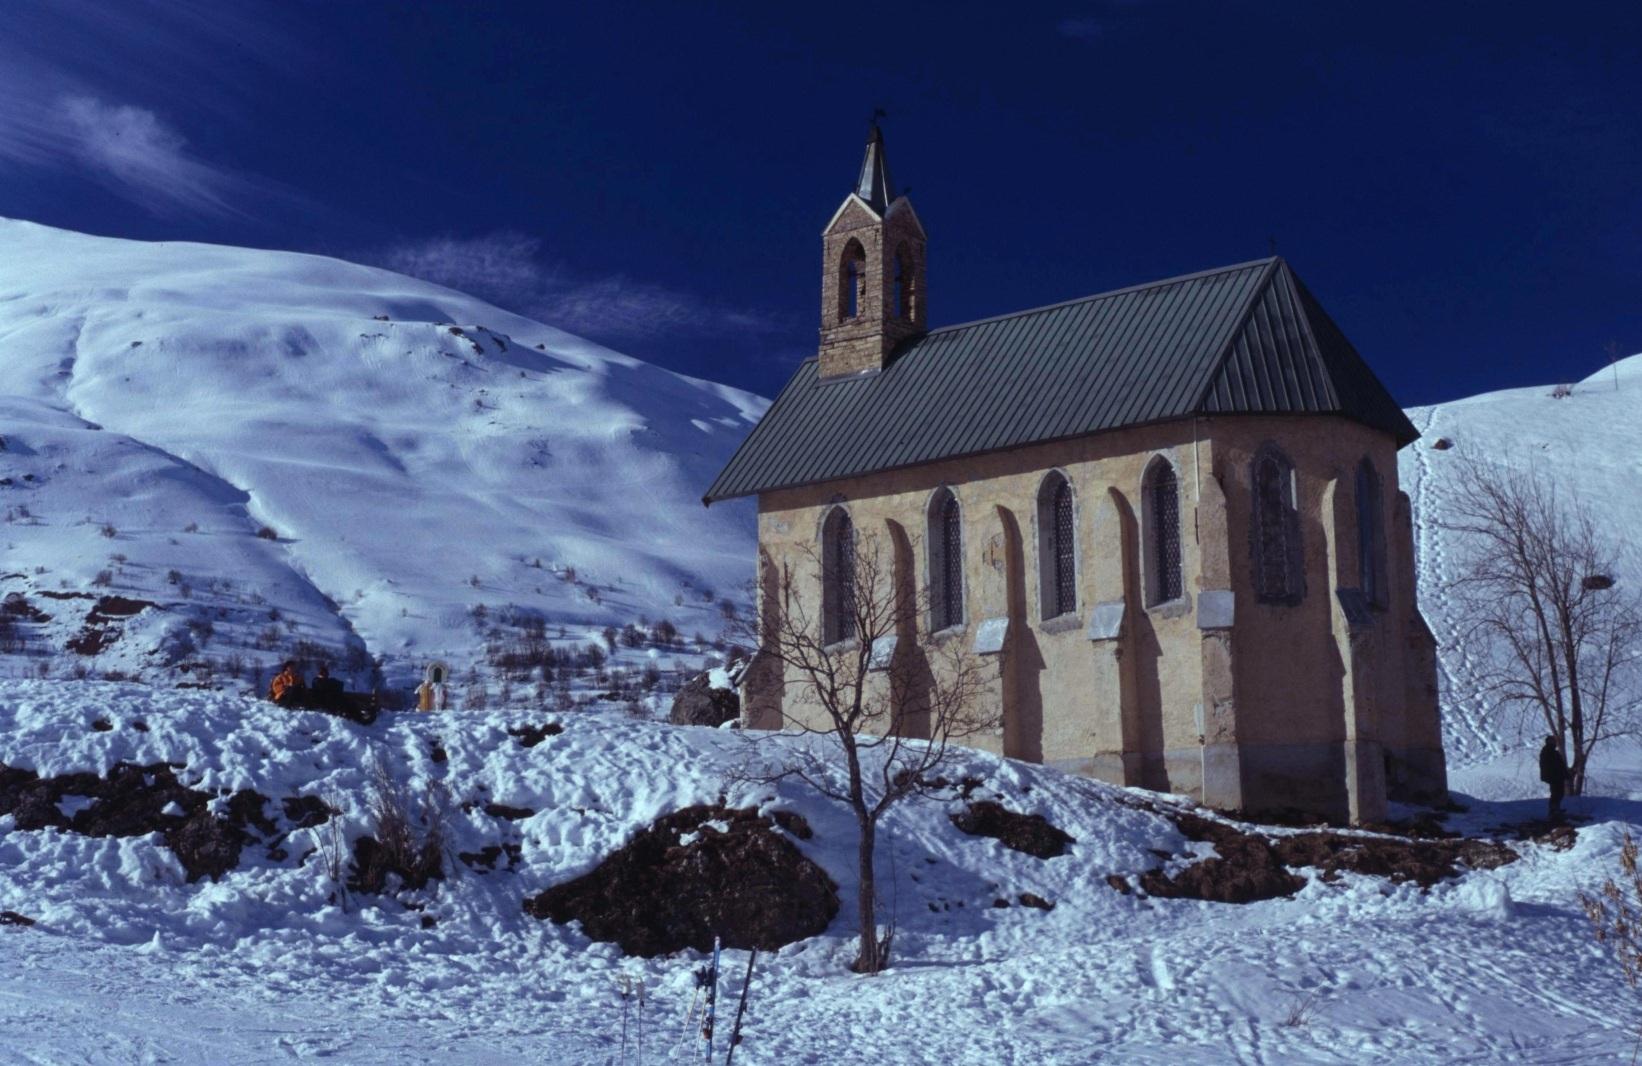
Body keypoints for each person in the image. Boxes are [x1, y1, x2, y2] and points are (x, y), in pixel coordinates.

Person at [1539, 735, 1568, 822]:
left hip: (1557, 776)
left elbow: (1560, 765)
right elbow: (1549, 765)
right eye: (1552, 741)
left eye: (1554, 741)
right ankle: (1553, 811)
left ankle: (1556, 809)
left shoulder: (1553, 751)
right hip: (1553, 776)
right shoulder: (1547, 751)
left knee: (1560, 793)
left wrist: (1565, 774)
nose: (1554, 743)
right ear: (1548, 742)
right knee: (1556, 793)